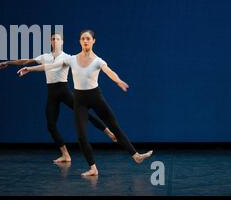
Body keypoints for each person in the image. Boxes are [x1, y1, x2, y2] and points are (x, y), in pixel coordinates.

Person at [17, 29, 153, 176]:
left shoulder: (98, 61)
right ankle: (93, 168)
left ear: (93, 41)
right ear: (80, 41)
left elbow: (109, 71)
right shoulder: (72, 59)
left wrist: (118, 81)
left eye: (88, 38)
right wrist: (29, 68)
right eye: (83, 39)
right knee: (81, 136)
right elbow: (50, 66)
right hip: (80, 101)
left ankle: (136, 156)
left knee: (115, 127)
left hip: (96, 98)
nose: (85, 41)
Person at [0, 33, 117, 163]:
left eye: (58, 39)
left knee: (86, 114)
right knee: (50, 125)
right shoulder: (45, 57)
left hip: (64, 91)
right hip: (52, 93)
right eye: (53, 39)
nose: (55, 41)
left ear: (62, 42)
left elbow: (82, 64)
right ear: (51, 42)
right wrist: (8, 62)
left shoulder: (68, 57)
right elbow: (25, 61)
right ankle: (65, 154)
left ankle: (109, 132)